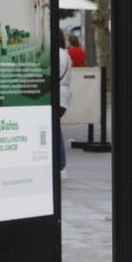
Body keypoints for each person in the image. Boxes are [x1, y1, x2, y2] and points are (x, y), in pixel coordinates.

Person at [57, 29, 72, 179]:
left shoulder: (56, 54)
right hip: (64, 96)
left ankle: (60, 165)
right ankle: (60, 165)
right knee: (56, 129)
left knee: (55, 130)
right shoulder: (66, 54)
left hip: (57, 94)